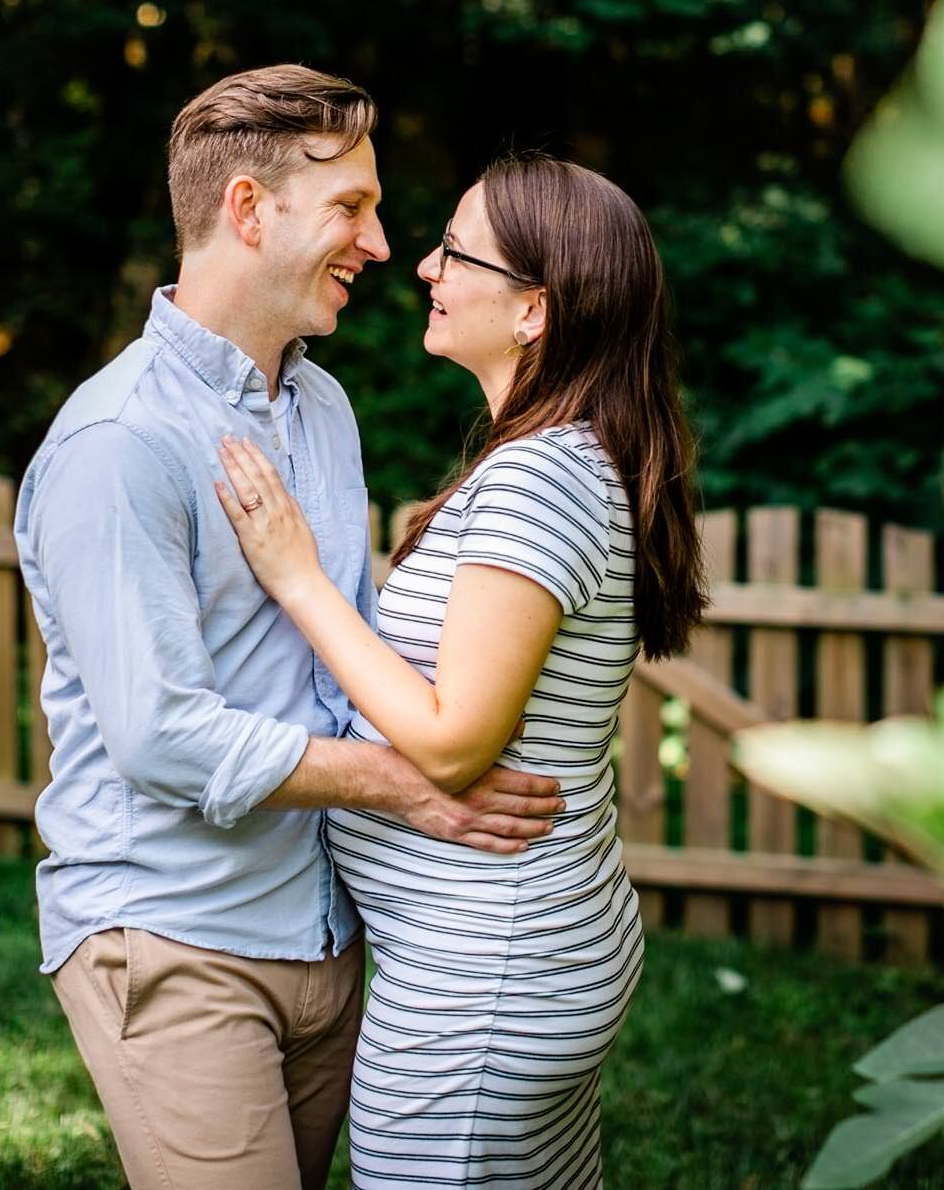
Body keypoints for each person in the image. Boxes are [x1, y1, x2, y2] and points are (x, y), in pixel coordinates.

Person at [12, 65, 566, 1190]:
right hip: (175, 939)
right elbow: (161, 736)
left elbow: (339, 649)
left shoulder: (320, 405)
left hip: (323, 931)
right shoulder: (117, 445)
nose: (379, 242)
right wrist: (400, 784)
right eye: (350, 208)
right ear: (249, 210)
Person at [211, 150, 707, 1188]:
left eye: (453, 250)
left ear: (533, 309)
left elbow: (450, 739)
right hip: (522, 953)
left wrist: (297, 577)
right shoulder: (559, 457)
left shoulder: (540, 474)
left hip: (482, 986)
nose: (423, 268)